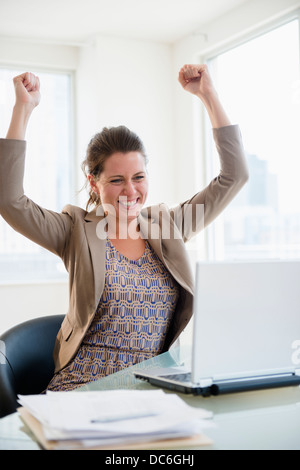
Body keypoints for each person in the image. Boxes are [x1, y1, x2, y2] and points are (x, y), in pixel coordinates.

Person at [0, 65, 248, 391]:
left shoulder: (169, 227)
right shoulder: (74, 231)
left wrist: (208, 94)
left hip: (151, 390)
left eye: (138, 177)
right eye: (117, 180)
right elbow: (9, 199)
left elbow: (235, 176)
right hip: (82, 387)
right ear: (94, 182)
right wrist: (23, 109)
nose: (130, 192)